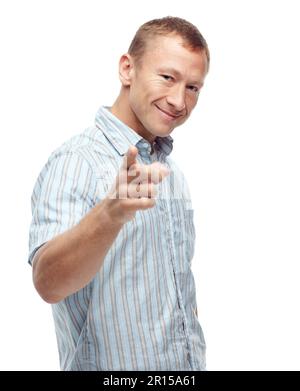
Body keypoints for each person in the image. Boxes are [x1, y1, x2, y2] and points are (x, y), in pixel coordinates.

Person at [28, 16, 210, 371]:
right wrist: (110, 214)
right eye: (168, 77)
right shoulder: (75, 161)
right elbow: (47, 283)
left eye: (193, 87)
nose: (178, 100)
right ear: (128, 69)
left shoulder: (170, 172)